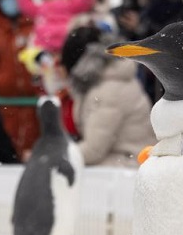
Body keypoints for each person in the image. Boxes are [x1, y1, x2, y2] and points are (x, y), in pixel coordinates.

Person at [61, 27, 156, 167]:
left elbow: (94, 149)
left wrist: (56, 157)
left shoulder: (108, 90)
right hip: (131, 160)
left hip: (129, 165)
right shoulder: (108, 80)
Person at [0, 0, 40, 159]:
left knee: (35, 142)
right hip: (8, 102)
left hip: (34, 100)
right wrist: (1, 81)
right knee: (9, 143)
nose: (9, 3)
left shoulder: (35, 27)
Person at [14, 0, 101, 54]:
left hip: (52, 46)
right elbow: (85, 0)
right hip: (60, 44)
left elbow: (25, 6)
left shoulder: (47, 7)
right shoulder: (66, 5)